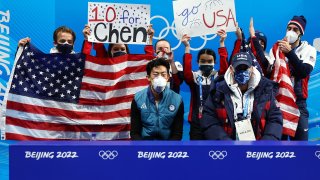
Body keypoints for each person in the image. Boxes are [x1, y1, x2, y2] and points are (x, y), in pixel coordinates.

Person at [201, 52, 283, 140]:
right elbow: (209, 119)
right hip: (227, 148)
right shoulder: (218, 90)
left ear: (252, 68)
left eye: (245, 68)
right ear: (232, 69)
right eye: (239, 68)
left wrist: (266, 144)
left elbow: (275, 118)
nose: (242, 72)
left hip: (258, 148)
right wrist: (225, 143)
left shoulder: (265, 89)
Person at [271, 15, 317, 140]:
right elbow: (270, 73)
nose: (290, 31)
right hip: (279, 102)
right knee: (280, 147)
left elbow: (303, 72)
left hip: (298, 103)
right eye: (289, 28)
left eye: (295, 30)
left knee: (301, 147)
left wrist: (290, 53)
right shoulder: (276, 48)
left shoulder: (309, 49)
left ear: (301, 33)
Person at [181, 29, 229, 140]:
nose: (206, 63)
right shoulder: (194, 77)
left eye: (209, 61)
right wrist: (187, 47)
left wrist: (222, 43)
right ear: (197, 62)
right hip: (197, 122)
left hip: (216, 122)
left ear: (214, 62)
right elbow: (186, 72)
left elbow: (225, 68)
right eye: (203, 61)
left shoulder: (218, 77)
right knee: (196, 152)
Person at [130, 58, 184, 140]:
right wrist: (143, 149)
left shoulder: (177, 100)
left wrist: (168, 149)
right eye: (155, 74)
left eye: (163, 74)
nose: (160, 78)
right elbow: (134, 132)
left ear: (168, 77)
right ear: (148, 77)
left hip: (168, 144)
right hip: (145, 144)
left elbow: (177, 133)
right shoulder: (138, 99)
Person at [81, 24, 154, 57]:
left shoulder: (132, 64)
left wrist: (149, 39)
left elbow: (148, 60)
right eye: (115, 49)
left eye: (122, 49)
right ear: (110, 51)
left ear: (127, 51)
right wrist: (89, 38)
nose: (119, 51)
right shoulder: (103, 62)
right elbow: (84, 60)